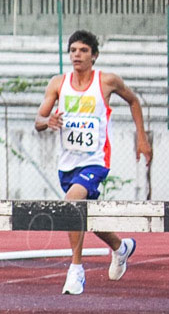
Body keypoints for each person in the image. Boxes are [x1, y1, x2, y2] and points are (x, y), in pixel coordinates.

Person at [34, 29, 153, 295]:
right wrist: (48, 121)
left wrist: (142, 139)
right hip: (67, 164)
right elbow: (38, 121)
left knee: (72, 202)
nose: (77, 54)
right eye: (73, 50)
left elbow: (133, 101)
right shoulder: (57, 83)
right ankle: (121, 248)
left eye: (83, 50)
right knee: (85, 215)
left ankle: (76, 269)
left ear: (94, 55)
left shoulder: (106, 81)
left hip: (96, 160)